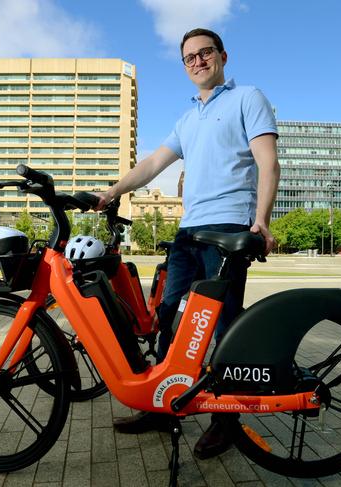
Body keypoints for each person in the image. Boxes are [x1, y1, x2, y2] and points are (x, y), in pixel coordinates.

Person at [95, 28, 280, 460]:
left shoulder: (247, 98)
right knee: (169, 318)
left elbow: (268, 161)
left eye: (205, 53)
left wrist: (262, 220)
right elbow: (153, 164)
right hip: (189, 231)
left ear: (222, 56)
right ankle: (164, 406)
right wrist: (112, 191)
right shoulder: (188, 116)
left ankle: (225, 419)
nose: (197, 61)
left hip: (230, 229)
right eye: (189, 57)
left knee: (222, 325)